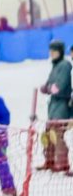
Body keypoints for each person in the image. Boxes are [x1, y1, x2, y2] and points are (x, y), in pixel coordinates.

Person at [38, 40, 72, 175]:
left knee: (57, 134)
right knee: (47, 133)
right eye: (51, 51)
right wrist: (46, 87)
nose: (52, 54)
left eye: (55, 51)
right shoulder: (55, 66)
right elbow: (49, 84)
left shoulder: (65, 65)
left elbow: (60, 86)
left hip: (62, 105)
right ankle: (49, 160)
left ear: (60, 52)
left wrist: (49, 88)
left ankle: (63, 163)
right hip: (53, 105)